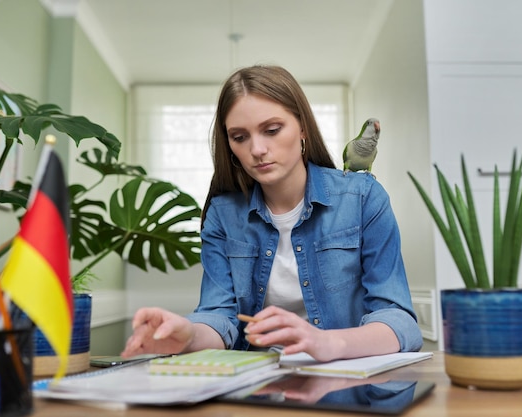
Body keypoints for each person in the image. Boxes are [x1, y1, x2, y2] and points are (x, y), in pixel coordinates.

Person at [122, 65, 422, 362]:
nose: (257, 149)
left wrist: (326, 343)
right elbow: (218, 318)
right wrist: (187, 335)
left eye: (272, 130)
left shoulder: (363, 197)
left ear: (302, 127)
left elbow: (399, 321)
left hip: (345, 386)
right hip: (254, 387)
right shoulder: (223, 215)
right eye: (239, 137)